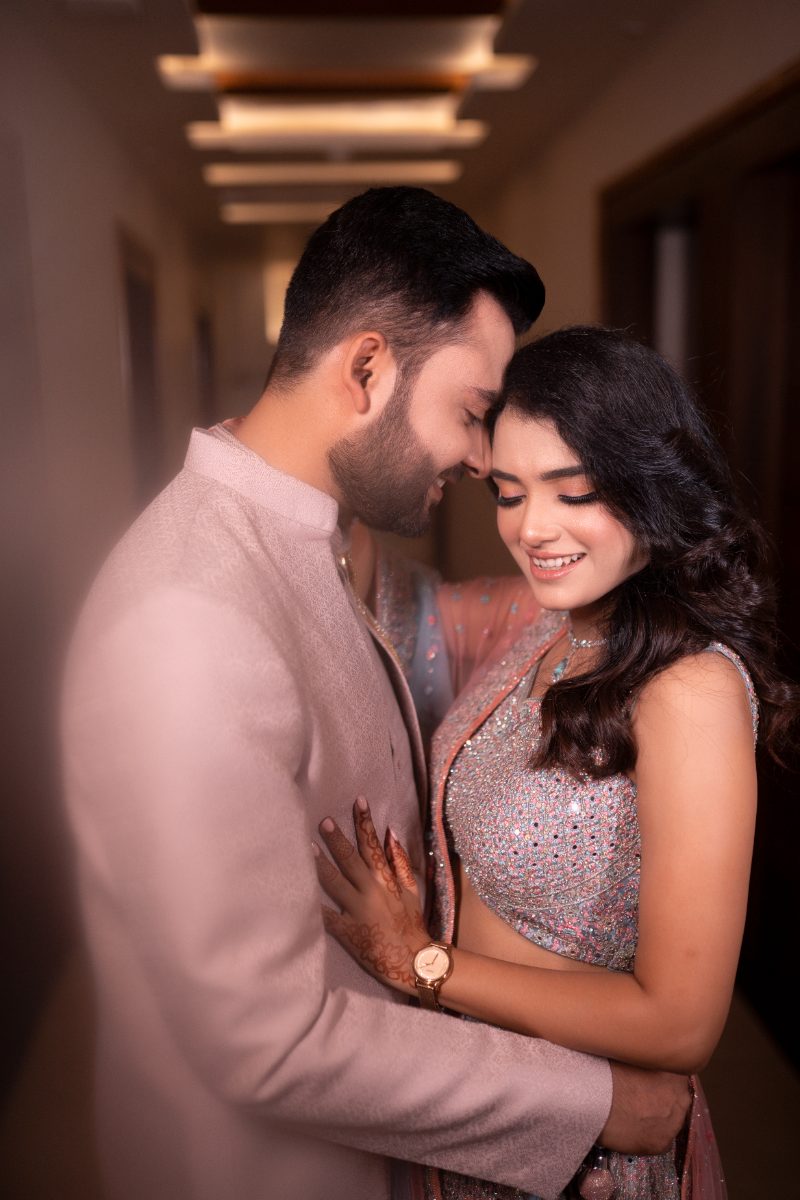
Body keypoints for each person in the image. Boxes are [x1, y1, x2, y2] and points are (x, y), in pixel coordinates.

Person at [61, 196, 688, 1200]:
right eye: (472, 413)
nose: (481, 459)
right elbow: (270, 1041)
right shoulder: (188, 619)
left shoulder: (301, 542)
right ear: (365, 371)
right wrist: (594, 1101)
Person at [316, 326, 800, 1199]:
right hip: (498, 1110)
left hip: (589, 1156)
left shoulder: (688, 689)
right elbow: (391, 600)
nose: (532, 528)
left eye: (573, 493)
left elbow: (681, 1023)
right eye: (508, 493)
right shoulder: (549, 627)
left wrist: (424, 963)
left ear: (651, 486)